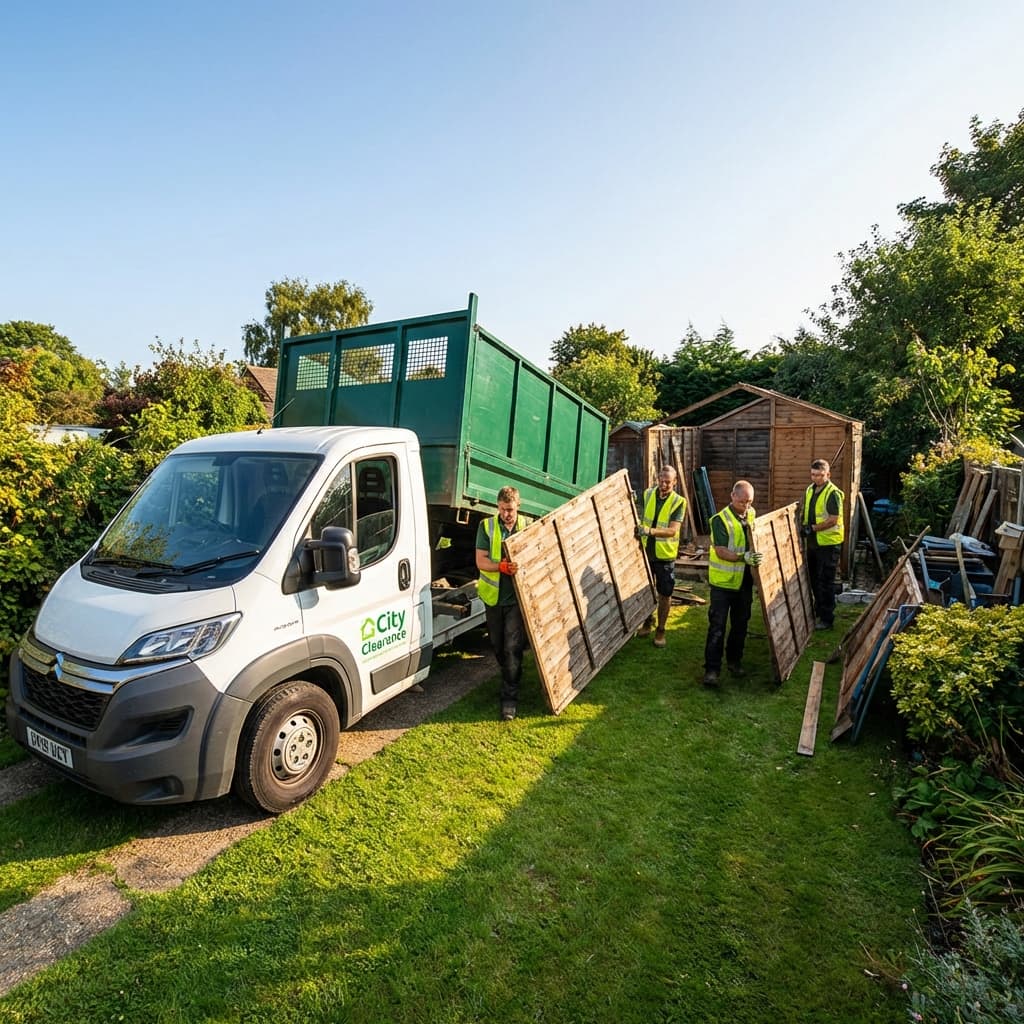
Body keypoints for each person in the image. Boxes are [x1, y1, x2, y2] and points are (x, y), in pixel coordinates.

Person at [702, 480, 762, 687]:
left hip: (743, 583)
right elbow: (720, 551)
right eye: (743, 501)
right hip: (723, 584)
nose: (747, 506)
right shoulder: (720, 520)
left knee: (741, 624)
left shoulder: (751, 514)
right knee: (717, 627)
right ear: (733, 497)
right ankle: (712, 670)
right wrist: (743, 557)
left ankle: (734, 661)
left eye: (750, 502)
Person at [476, 485, 526, 721]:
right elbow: (480, 560)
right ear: (498, 506)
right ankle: (512, 675)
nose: (508, 514)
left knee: (512, 647)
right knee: (498, 646)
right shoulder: (486, 527)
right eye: (504, 509)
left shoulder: (527, 525)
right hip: (493, 598)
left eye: (512, 510)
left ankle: (509, 699)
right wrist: (501, 567)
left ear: (518, 507)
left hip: (517, 599)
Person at [635, 465, 687, 648]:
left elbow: (673, 531)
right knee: (645, 589)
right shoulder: (648, 494)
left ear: (675, 482)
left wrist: (649, 531)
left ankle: (661, 629)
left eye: (668, 482)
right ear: (657, 478)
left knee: (665, 593)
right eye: (661, 480)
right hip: (646, 551)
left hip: (665, 556)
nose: (664, 484)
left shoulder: (679, 502)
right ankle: (647, 622)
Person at [801, 459, 845, 630]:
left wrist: (812, 528)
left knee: (826, 581)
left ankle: (827, 619)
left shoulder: (833, 493)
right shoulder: (810, 490)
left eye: (820, 475)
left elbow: (833, 520)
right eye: (813, 475)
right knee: (813, 579)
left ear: (828, 474)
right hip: (813, 543)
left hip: (828, 544)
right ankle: (818, 610)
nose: (816, 478)